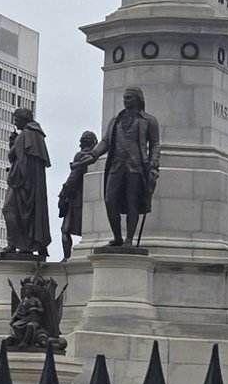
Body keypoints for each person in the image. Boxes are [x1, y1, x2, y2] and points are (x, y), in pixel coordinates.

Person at [87, 88, 161, 247]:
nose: (125, 100)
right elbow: (105, 142)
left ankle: (128, 240)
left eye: (129, 98)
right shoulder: (116, 120)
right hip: (116, 166)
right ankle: (117, 237)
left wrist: (154, 165)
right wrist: (93, 154)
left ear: (138, 100)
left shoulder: (149, 121)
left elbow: (155, 144)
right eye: (124, 97)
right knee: (109, 200)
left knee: (132, 202)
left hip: (136, 167)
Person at [1, 108, 51, 258]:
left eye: (16, 120)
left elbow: (15, 157)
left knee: (8, 209)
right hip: (30, 183)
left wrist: (13, 144)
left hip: (20, 182)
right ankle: (24, 245)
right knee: (23, 215)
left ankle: (13, 244)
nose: (15, 123)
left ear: (24, 119)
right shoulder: (36, 135)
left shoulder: (25, 135)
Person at [57, 130, 98, 260]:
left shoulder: (80, 156)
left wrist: (64, 193)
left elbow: (73, 178)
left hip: (76, 199)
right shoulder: (98, 157)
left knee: (66, 230)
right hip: (93, 199)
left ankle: (66, 258)